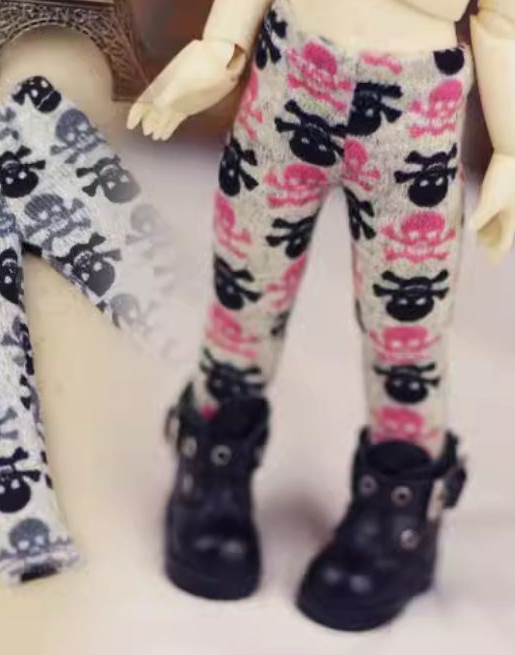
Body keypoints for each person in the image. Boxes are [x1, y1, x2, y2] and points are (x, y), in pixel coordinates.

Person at [128, 0, 515, 632]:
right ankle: (214, 452)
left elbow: (504, 17)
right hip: (291, 73)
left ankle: (402, 506)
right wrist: (220, 46)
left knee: (407, 329)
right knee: (245, 285)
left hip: (415, 111)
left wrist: (510, 150)